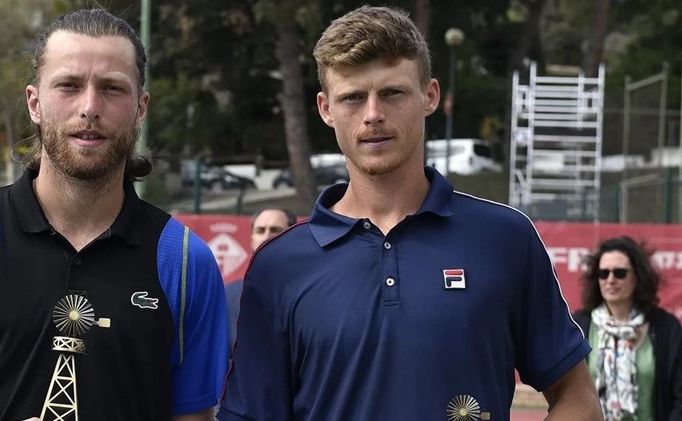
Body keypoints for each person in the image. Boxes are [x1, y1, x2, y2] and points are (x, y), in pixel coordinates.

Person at [218, 6, 602, 420]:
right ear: (326, 109)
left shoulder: (505, 237)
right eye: (352, 98)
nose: (373, 115)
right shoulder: (279, 266)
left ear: (429, 96)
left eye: (392, 93)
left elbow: (577, 398)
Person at [0, 8, 228, 421]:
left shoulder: (183, 261)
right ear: (34, 103)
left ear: (141, 108)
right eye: (69, 86)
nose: (90, 107)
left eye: (112, 88)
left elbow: (194, 417)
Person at [573, 236, 682, 420]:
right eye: (603, 273)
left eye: (620, 273)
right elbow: (568, 394)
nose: (610, 279)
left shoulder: (666, 328)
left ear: (638, 276)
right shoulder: (579, 326)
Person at [224, 208, 297, 351]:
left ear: (293, 237)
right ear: (251, 240)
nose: (266, 236)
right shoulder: (228, 294)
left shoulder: (309, 292)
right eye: (260, 230)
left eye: (275, 230)